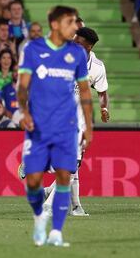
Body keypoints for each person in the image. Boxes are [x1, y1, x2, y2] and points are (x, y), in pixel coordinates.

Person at [17, 6, 93, 246]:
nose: (74, 29)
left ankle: (56, 231)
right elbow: (23, 85)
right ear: (55, 25)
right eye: (70, 23)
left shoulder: (78, 55)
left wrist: (89, 126)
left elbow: (84, 91)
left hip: (71, 124)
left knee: (67, 173)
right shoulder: (34, 49)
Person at [40, 27, 109, 217]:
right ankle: (52, 196)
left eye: (77, 42)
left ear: (88, 46)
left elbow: (102, 91)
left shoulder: (97, 67)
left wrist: (104, 108)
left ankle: (50, 200)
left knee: (72, 165)